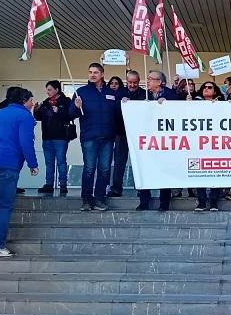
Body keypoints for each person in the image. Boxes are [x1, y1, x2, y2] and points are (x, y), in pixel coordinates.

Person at [0, 87, 39, 257]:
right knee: (5, 204)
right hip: (8, 163)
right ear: (24, 101)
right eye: (31, 100)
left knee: (4, 194)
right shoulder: (25, 116)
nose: (33, 104)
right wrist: (33, 163)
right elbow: (26, 142)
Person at [69, 62, 117, 212]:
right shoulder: (81, 92)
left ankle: (100, 199)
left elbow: (119, 113)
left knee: (104, 169)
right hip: (89, 136)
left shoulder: (111, 92)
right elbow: (71, 114)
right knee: (89, 169)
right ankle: (86, 199)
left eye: (96, 72)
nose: (92, 75)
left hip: (108, 137)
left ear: (102, 74)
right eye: (90, 72)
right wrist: (76, 107)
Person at [138, 71, 178, 211]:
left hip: (164, 140)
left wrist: (168, 105)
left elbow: (179, 111)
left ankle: (164, 203)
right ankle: (144, 201)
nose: (148, 81)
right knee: (145, 169)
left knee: (164, 170)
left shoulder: (171, 94)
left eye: (150, 79)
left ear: (160, 82)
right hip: (147, 140)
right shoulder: (143, 94)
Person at [109, 70, 146, 197]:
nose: (132, 85)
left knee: (140, 162)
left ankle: (141, 189)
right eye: (130, 82)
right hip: (121, 132)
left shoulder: (144, 94)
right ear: (126, 81)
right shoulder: (119, 92)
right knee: (119, 162)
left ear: (139, 81)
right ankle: (116, 189)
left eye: (135, 82)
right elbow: (113, 110)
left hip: (139, 134)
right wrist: (121, 103)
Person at [33, 80, 73, 195]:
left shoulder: (66, 101)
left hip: (60, 137)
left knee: (61, 161)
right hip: (47, 137)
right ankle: (49, 184)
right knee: (49, 162)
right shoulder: (46, 102)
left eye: (50, 89)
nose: (47, 92)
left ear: (57, 89)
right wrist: (36, 110)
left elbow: (70, 115)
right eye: (47, 90)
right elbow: (39, 117)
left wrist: (59, 111)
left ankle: (63, 185)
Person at [194, 81, 224, 211]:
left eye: (210, 87)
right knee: (199, 171)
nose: (206, 89)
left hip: (216, 143)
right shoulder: (194, 103)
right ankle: (201, 201)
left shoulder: (222, 104)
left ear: (215, 91)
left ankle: (213, 201)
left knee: (216, 172)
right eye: (204, 87)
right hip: (199, 142)